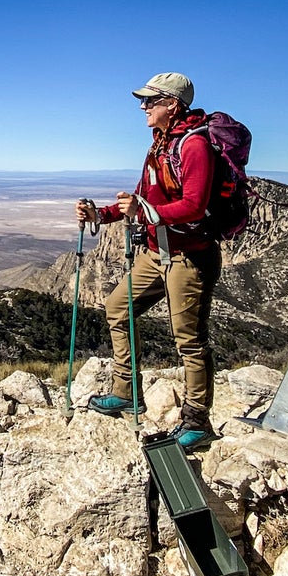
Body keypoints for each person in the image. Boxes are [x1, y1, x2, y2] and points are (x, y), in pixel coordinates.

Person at [76, 72, 222, 451]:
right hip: (157, 252)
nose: (143, 107)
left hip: (188, 257)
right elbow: (141, 199)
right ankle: (127, 392)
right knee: (116, 308)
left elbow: (195, 204)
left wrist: (142, 214)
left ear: (172, 105)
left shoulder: (194, 146)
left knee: (188, 340)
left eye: (150, 101)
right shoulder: (159, 145)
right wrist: (101, 215)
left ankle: (197, 421)